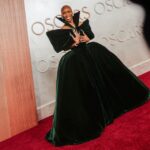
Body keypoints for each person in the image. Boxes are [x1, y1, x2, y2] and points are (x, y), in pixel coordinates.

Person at [45, 5, 150, 146]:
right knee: (85, 88)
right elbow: (61, 47)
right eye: (64, 13)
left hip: (91, 54)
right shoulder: (62, 31)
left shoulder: (81, 23)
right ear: (62, 15)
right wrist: (74, 42)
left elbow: (90, 37)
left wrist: (84, 38)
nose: (67, 14)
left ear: (72, 12)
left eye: (69, 11)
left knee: (105, 78)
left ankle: (111, 108)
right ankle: (95, 116)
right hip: (77, 60)